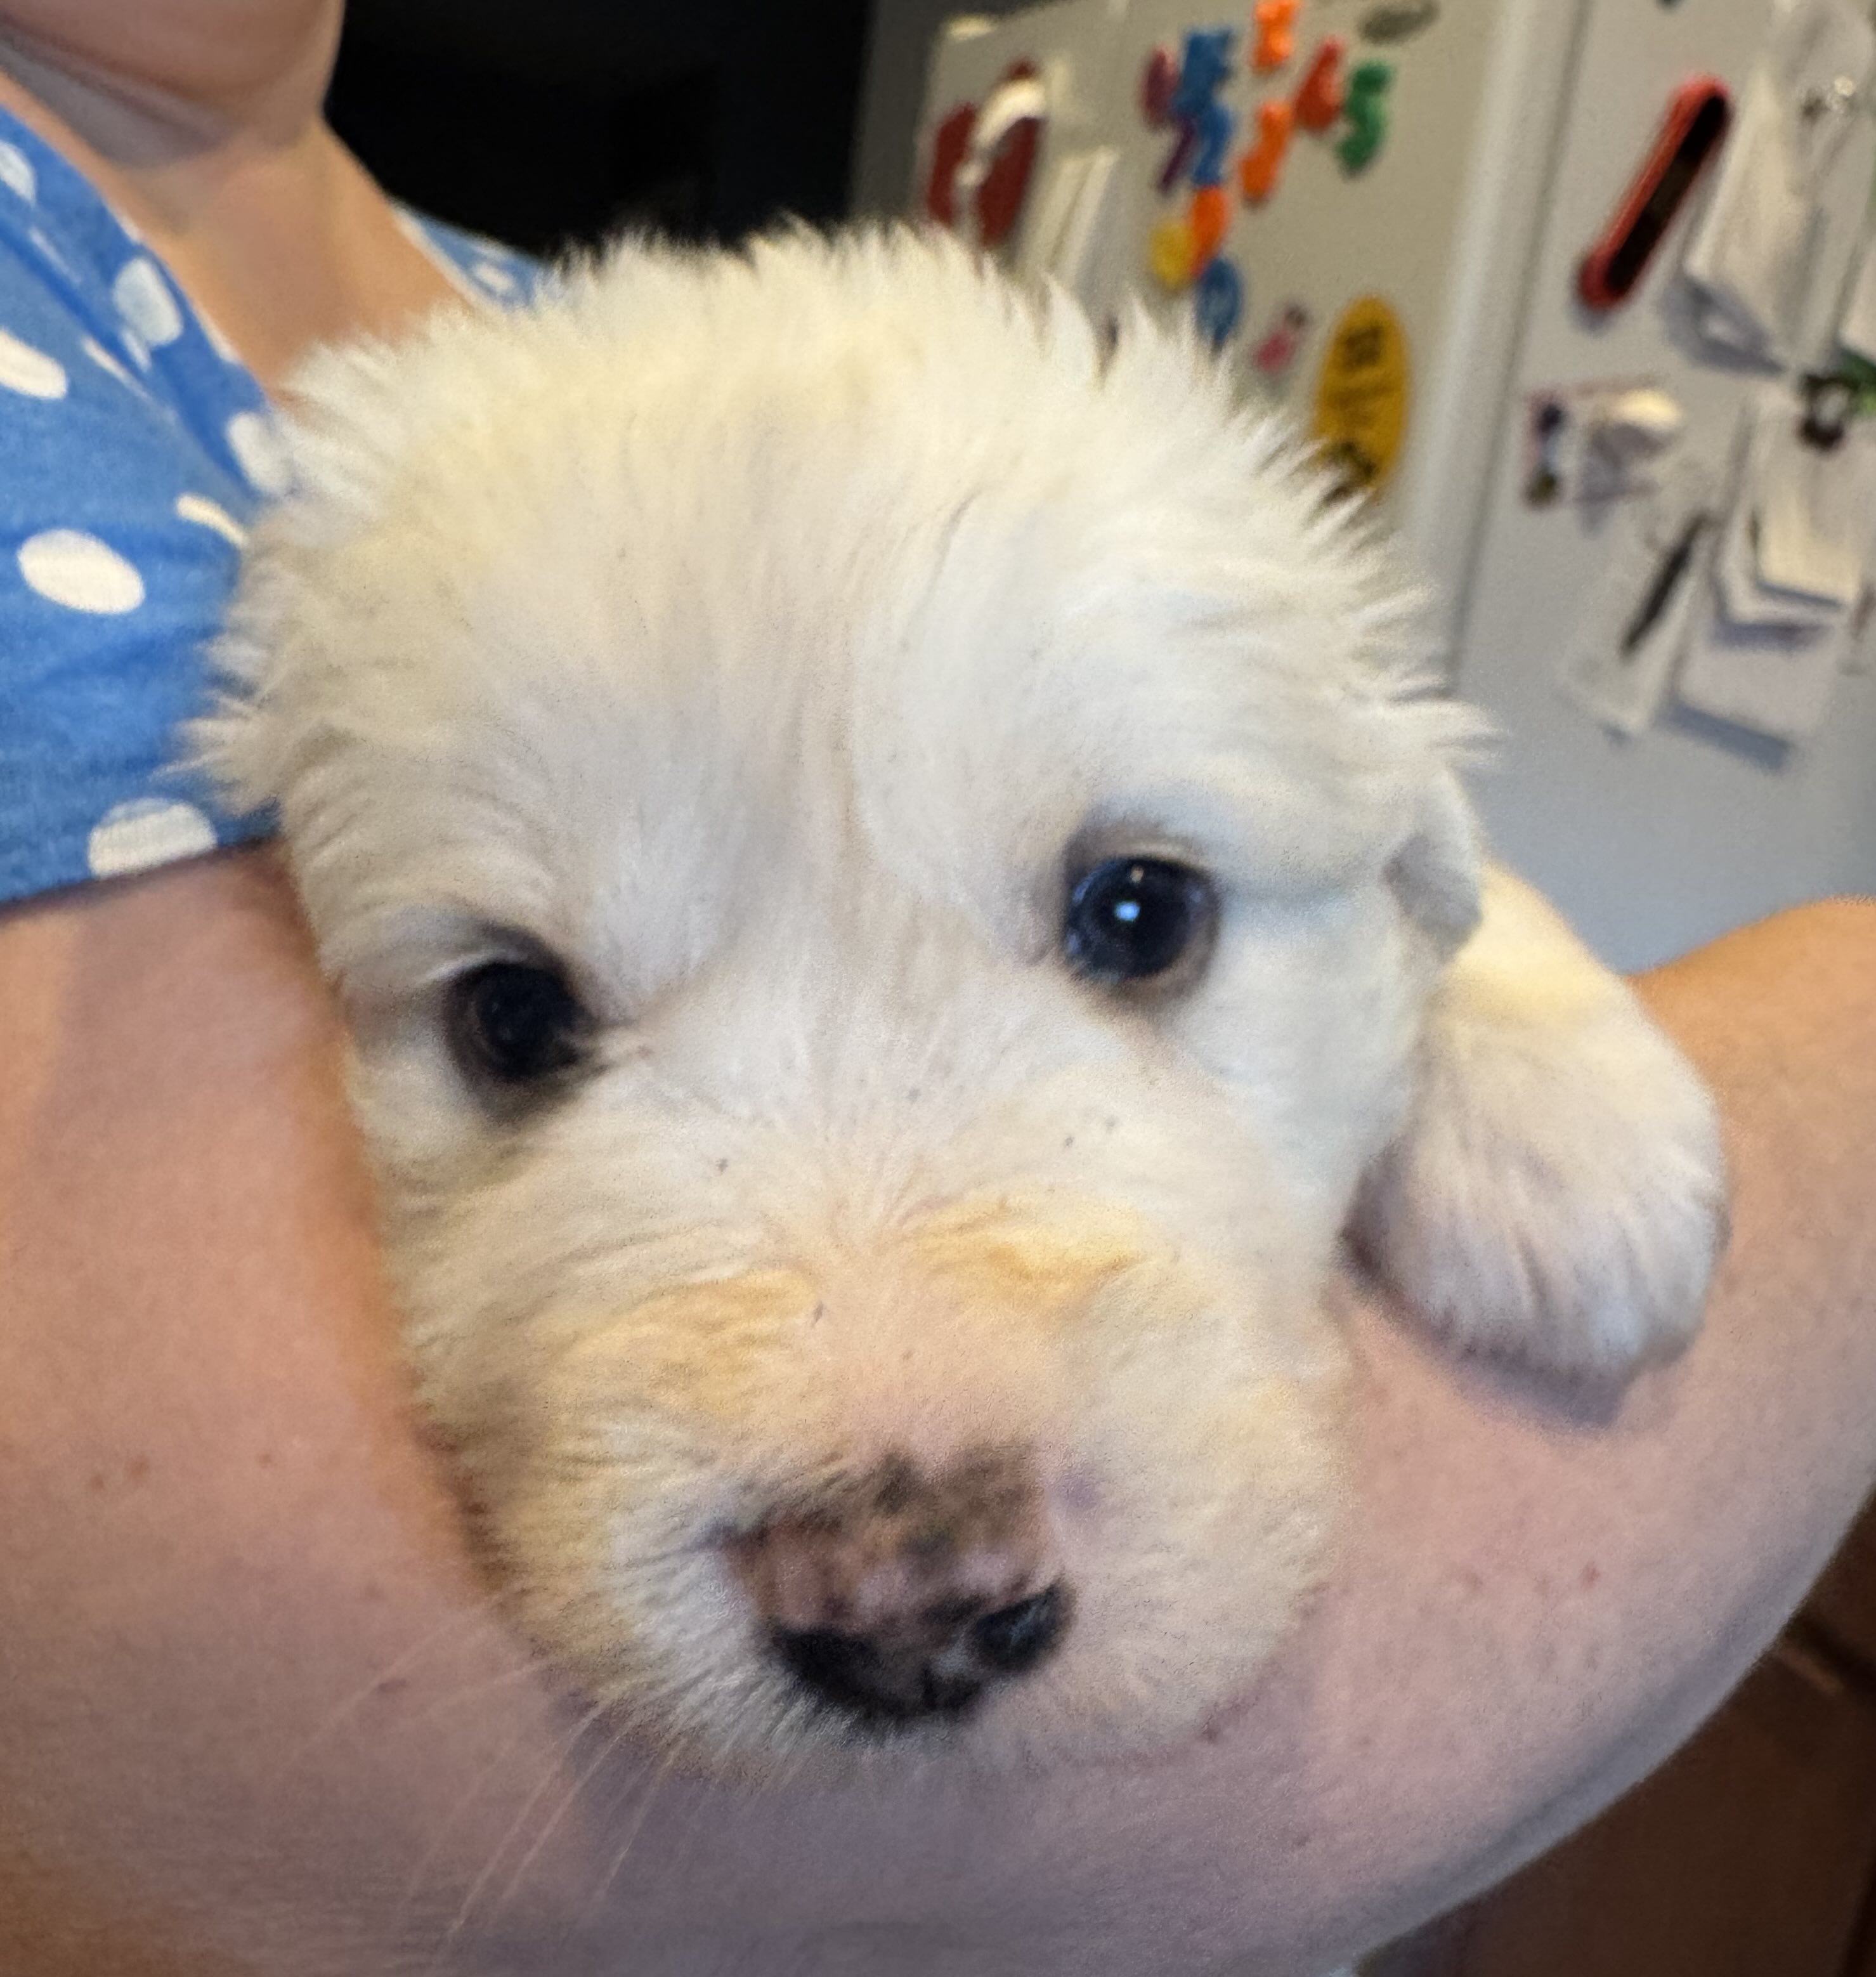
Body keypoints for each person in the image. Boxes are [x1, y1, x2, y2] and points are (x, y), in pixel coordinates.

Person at [2, 6, 1873, 1973]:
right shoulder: (327, 533)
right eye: (528, 1027)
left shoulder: (520, 334)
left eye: (1134, 922)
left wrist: (1511, 999)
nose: (895, 1573)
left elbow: (1325, 823)